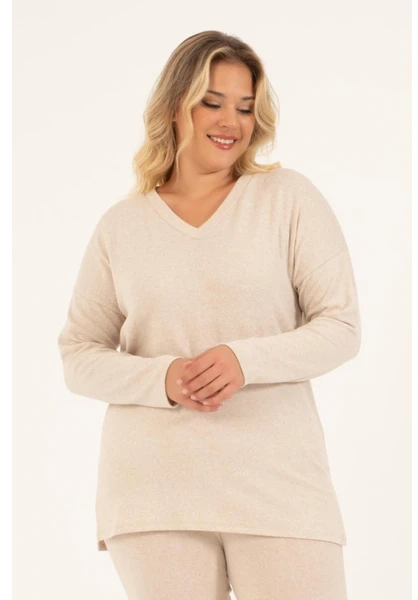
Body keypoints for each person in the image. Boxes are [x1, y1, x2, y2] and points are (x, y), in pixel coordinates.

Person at [57, 30, 361, 600]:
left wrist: (245, 361)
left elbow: (341, 326)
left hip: (279, 485)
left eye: (245, 107)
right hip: (152, 493)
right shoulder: (121, 226)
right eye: (212, 102)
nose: (231, 122)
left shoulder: (287, 198)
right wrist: (164, 378)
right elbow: (77, 355)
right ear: (176, 105)